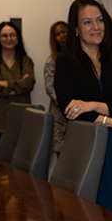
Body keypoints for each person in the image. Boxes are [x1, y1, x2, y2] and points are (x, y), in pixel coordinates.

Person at [54, 0, 112, 215]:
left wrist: (90, 105)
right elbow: (70, 111)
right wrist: (110, 120)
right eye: (87, 22)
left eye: (100, 20)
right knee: (90, 216)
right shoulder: (66, 61)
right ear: (75, 28)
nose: (96, 27)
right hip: (87, 147)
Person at [0, 21, 35, 153]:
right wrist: (18, 84)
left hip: (22, 121)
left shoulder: (26, 61)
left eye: (12, 35)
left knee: (20, 165)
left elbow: (29, 84)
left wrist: (4, 83)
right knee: (0, 165)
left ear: (18, 38)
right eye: (4, 36)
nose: (9, 39)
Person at [43, 21, 68, 155]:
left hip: (82, 111)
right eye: (58, 34)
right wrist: (67, 104)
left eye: (64, 31)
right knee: (61, 155)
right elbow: (50, 88)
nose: (62, 36)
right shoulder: (52, 60)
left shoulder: (82, 57)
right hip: (60, 114)